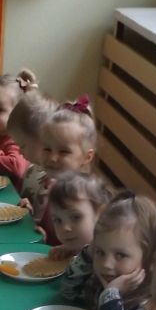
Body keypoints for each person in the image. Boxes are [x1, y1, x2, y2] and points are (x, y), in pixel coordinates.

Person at [38, 100, 98, 244]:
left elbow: (82, 245)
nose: (52, 158)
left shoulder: (81, 197)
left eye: (64, 151)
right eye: (47, 149)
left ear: (87, 157)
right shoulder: (55, 184)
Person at [5, 81, 55, 213]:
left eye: (23, 145)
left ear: (43, 140)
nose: (20, 152)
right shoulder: (32, 169)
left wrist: (32, 216)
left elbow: (52, 223)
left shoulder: (55, 183)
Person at [43, 171, 110, 261]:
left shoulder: (109, 256)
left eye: (76, 217)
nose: (65, 228)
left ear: (100, 214)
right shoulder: (85, 244)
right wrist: (70, 249)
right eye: (58, 220)